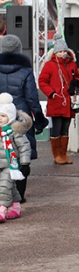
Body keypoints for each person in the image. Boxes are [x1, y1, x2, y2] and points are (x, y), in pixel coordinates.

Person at [0, 34, 48, 202]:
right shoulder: (26, 70)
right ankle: (18, 196)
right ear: (18, 50)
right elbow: (32, 98)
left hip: (1, 116)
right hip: (20, 116)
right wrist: (40, 119)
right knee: (21, 152)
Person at [38, 34, 79, 165]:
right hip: (56, 101)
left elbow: (77, 79)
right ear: (55, 52)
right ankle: (56, 154)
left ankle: (63, 154)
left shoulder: (72, 64)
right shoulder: (49, 65)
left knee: (66, 128)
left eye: (64, 51)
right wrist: (51, 93)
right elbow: (42, 81)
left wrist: (76, 83)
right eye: (60, 51)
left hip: (69, 101)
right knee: (57, 128)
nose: (63, 53)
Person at [0, 93, 32, 222]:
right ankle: (16, 207)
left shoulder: (14, 132)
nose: (0, 119)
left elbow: (24, 146)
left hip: (10, 164)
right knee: (10, 187)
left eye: (3, 116)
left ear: (11, 116)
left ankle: (1, 210)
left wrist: (25, 164)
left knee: (3, 186)